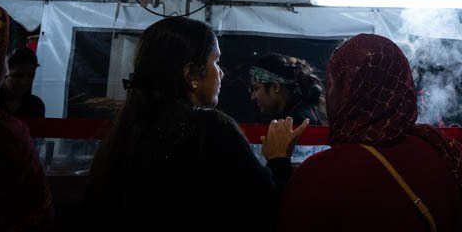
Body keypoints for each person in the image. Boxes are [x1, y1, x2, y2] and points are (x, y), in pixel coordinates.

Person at [84, 17, 307, 230]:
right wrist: (278, 159)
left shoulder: (125, 130)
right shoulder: (210, 129)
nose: (221, 72)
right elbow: (265, 209)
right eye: (215, 61)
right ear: (191, 74)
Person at [277, 34, 462, 231]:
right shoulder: (447, 153)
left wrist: (278, 165)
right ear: (402, 82)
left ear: (340, 88)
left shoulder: (319, 173)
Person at [0, 2, 53, 230]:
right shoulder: (3, 133)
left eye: (30, 76)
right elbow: (36, 210)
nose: (23, 82)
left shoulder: (33, 106)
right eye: (2, 57)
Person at [249, 53, 327, 125]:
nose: (252, 97)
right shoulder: (295, 114)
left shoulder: (299, 122)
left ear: (276, 86)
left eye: (256, 89)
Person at [0, 47, 47, 120]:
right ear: (5, 73)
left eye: (30, 76)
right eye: (18, 76)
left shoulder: (36, 106)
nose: (24, 82)